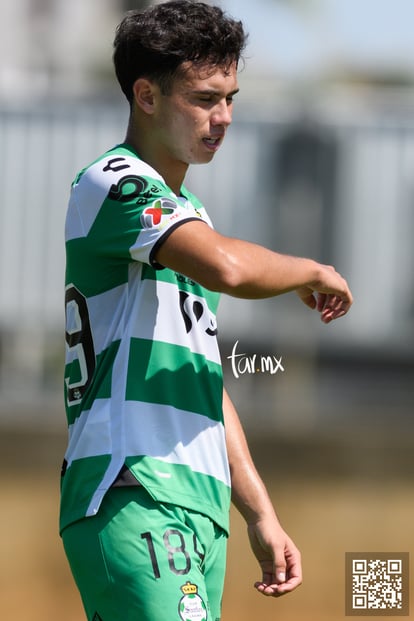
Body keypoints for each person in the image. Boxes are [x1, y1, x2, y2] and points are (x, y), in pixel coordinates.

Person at [60, 2, 353, 620]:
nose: (222, 117)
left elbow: (204, 382)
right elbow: (230, 268)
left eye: (231, 98)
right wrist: (313, 270)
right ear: (145, 94)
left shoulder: (188, 212)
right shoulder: (115, 183)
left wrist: (261, 513)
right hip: (131, 485)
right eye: (203, 98)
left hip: (196, 501)